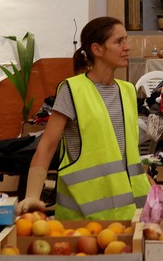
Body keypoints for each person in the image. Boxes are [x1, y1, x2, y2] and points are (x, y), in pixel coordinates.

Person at [19, 17, 149, 220]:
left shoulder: (128, 91)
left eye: (127, 40)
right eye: (119, 41)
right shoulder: (72, 90)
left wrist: (150, 185)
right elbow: (47, 145)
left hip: (131, 214)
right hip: (83, 218)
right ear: (97, 49)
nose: (127, 47)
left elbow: (127, 153)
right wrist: (32, 196)